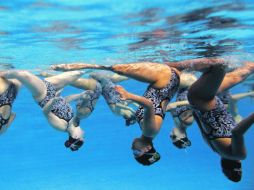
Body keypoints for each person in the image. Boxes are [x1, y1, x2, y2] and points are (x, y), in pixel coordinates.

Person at [51, 62, 181, 166]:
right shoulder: (149, 131)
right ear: (147, 148)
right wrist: (129, 95)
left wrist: (133, 116)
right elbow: (148, 104)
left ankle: (74, 73)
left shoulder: (149, 132)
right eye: (136, 152)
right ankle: (80, 66)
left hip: (168, 81)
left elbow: (159, 108)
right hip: (164, 80)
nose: (132, 149)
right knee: (115, 68)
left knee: (110, 75)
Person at [166, 59, 254, 182]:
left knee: (220, 65)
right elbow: (200, 120)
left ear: (238, 165)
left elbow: (237, 132)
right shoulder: (215, 148)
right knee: (237, 75)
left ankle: (172, 66)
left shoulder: (238, 155)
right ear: (223, 167)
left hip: (204, 98)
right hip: (201, 100)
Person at [166, 62, 254, 149]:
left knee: (167, 72)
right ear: (183, 135)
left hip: (189, 87)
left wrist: (166, 108)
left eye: (171, 137)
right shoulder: (187, 122)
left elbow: (177, 107)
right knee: (231, 71)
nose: (170, 135)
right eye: (174, 137)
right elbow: (194, 105)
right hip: (192, 86)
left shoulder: (179, 122)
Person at [0, 70, 85, 151]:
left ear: (76, 136)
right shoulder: (73, 120)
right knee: (78, 73)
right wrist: (79, 95)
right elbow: (64, 101)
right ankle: (43, 72)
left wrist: (54, 100)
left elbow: (45, 112)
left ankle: (2, 73)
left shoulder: (62, 126)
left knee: (23, 75)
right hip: (53, 89)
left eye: (82, 137)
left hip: (43, 95)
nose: (83, 134)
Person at [40, 71, 138, 126]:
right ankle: (49, 75)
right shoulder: (80, 114)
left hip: (99, 90)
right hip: (96, 89)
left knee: (112, 78)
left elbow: (127, 103)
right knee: (73, 81)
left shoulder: (81, 114)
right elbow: (85, 99)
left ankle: (133, 74)